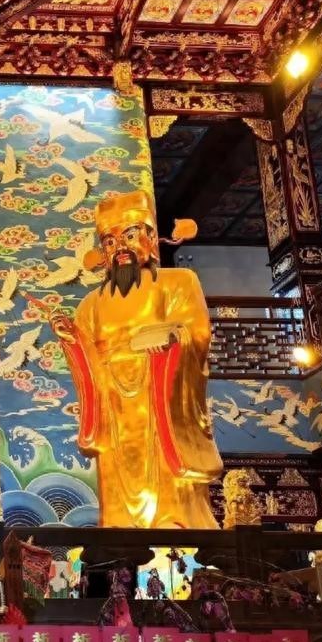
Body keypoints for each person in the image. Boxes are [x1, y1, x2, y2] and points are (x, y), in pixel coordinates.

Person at [49, 190, 222, 528]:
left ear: (151, 238)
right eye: (109, 242)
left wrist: (171, 339)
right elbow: (86, 353)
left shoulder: (177, 283)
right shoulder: (91, 304)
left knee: (164, 465)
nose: (120, 248)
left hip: (159, 390)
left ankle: (173, 521)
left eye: (129, 236)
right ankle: (117, 524)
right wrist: (71, 338)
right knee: (116, 470)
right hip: (113, 402)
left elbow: (197, 332)